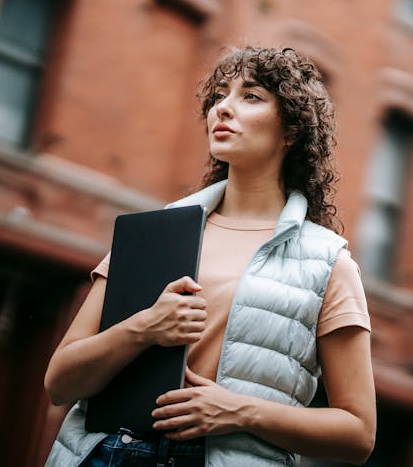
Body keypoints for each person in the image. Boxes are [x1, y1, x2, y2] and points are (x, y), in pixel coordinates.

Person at [44, 46, 376, 466]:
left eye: (250, 96)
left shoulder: (327, 262)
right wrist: (144, 327)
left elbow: (359, 433)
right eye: (219, 95)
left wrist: (239, 411)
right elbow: (60, 383)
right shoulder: (154, 234)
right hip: (109, 453)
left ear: (291, 129)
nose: (224, 108)